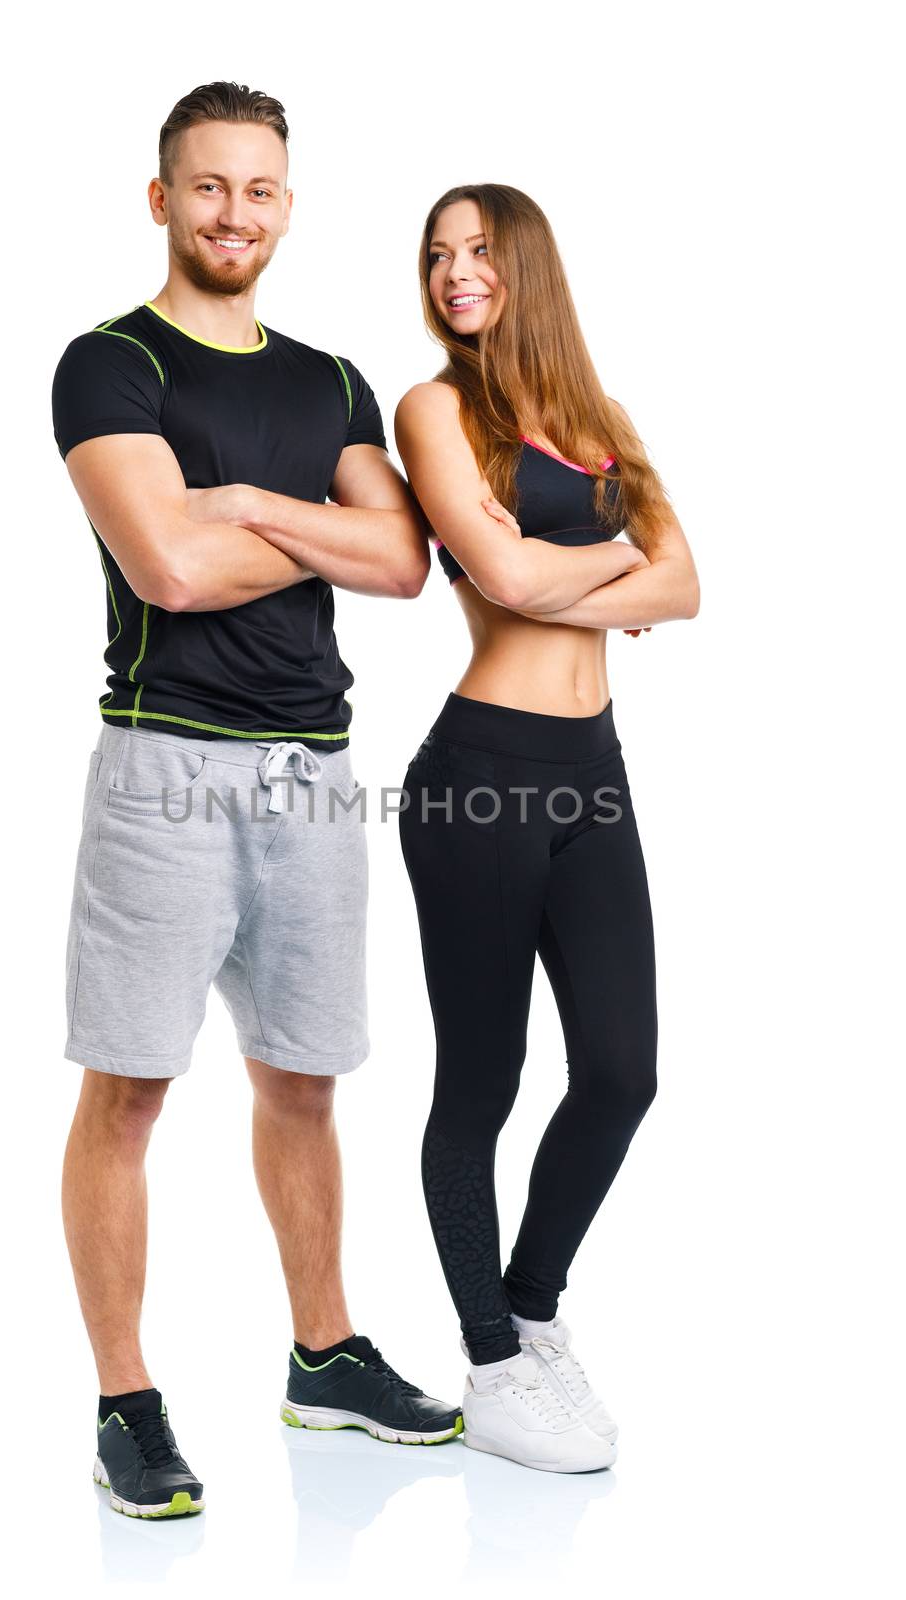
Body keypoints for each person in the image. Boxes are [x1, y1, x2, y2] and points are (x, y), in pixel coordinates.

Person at [53, 82, 462, 1521]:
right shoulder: (109, 367)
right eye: (211, 187)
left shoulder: (337, 383)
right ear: (163, 200)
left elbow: (406, 562)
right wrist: (312, 532)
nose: (238, 213)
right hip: (164, 766)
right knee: (130, 1091)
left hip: (314, 775)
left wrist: (243, 509)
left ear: (288, 204)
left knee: (302, 1079)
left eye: (263, 189)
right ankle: (126, 1402)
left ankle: (326, 1353)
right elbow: (165, 568)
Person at [394, 184, 699, 1473]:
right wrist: (607, 573)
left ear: (529, 266)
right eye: (439, 256)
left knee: (622, 1072)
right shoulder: (433, 411)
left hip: (594, 776)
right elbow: (506, 579)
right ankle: (490, 1360)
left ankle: (530, 1307)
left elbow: (687, 582)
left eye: (480, 252)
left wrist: (591, 573)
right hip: (480, 777)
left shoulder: (600, 420)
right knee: (485, 1080)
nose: (458, 273)